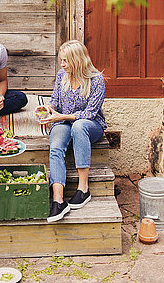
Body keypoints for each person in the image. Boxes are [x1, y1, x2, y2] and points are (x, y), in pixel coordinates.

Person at [41, 40, 106, 223]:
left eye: (65, 61)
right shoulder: (63, 75)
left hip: (90, 126)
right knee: (56, 146)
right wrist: (50, 108)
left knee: (79, 126)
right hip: (63, 121)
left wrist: (63, 116)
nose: (62, 65)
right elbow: (55, 99)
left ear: (77, 60)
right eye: (61, 60)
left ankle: (83, 189)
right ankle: (58, 200)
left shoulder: (96, 79)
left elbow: (90, 113)